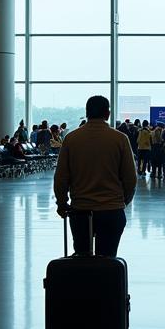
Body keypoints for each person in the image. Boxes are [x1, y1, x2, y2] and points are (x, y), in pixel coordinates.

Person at [53, 95, 137, 258]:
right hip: (111, 209)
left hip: (81, 210)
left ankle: (85, 283)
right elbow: (130, 178)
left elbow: (61, 176)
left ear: (87, 113)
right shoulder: (120, 139)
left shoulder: (71, 139)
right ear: (107, 114)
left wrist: (62, 203)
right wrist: (122, 201)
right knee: (108, 258)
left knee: (82, 258)